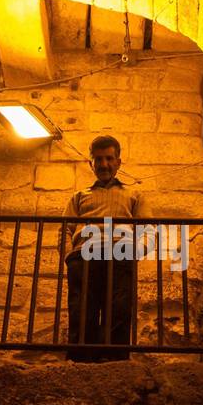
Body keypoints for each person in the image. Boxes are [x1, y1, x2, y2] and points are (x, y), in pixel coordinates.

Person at [60, 135, 148, 362]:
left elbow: (148, 228)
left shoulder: (134, 195)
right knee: (82, 309)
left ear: (118, 162)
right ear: (91, 163)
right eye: (99, 159)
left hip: (121, 254)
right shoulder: (79, 196)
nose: (104, 164)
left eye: (109, 158)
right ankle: (81, 359)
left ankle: (115, 359)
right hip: (83, 255)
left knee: (119, 307)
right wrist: (68, 256)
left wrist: (137, 251)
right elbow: (63, 229)